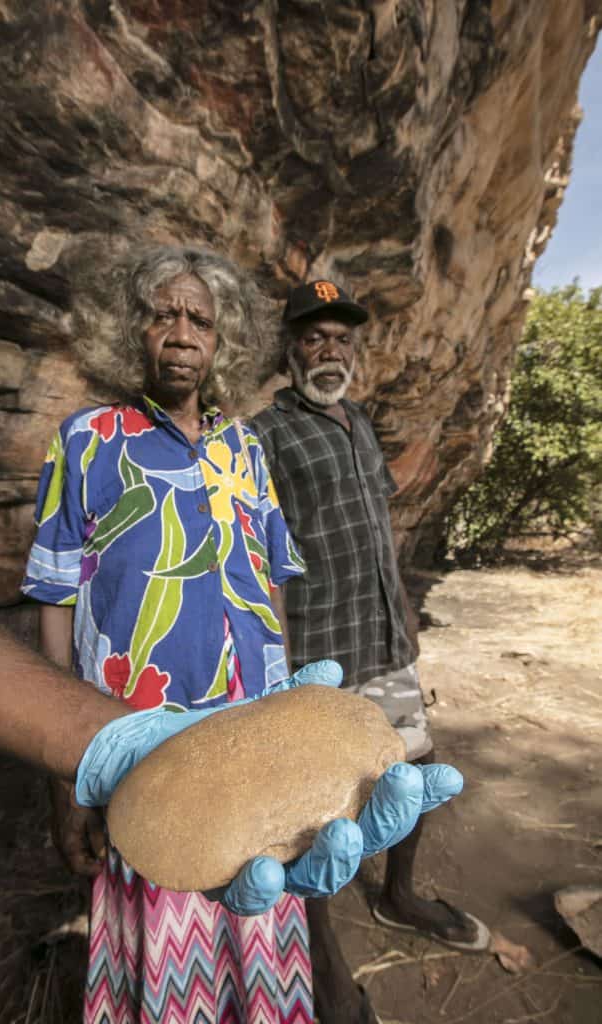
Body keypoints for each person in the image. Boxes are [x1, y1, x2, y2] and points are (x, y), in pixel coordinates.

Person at [20, 248, 463, 1024]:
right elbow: (54, 596)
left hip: (249, 728)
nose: (183, 331)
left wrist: (288, 706)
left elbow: (270, 582)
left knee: (261, 905)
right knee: (165, 915)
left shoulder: (242, 449)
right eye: (164, 313)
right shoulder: (86, 440)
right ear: (131, 332)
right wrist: (63, 771)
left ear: (222, 342)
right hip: (134, 737)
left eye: (201, 318)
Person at [252, 280, 491, 1023]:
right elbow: (258, 552)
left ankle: (397, 895)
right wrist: (278, 663)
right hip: (318, 651)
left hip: (384, 636)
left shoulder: (356, 420)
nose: (330, 350)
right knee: (319, 810)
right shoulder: (265, 434)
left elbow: (378, 516)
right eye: (315, 337)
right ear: (290, 347)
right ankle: (323, 970)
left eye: (342, 339)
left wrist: (404, 613)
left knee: (415, 768)